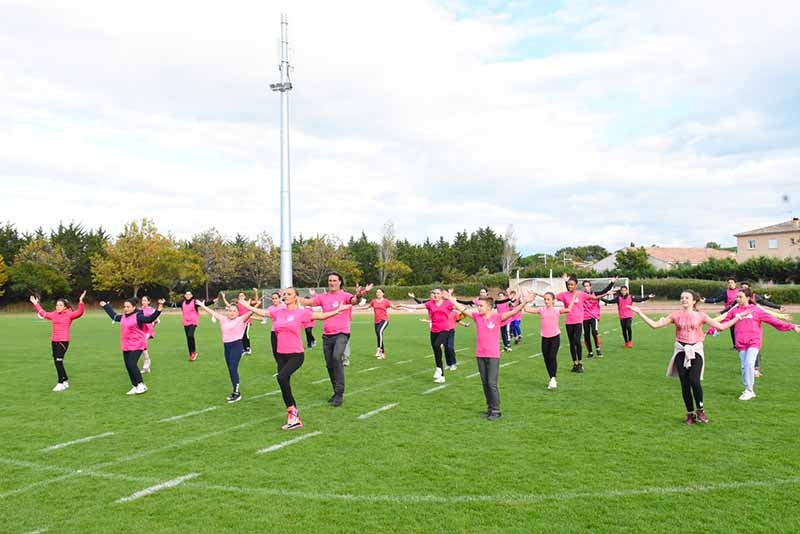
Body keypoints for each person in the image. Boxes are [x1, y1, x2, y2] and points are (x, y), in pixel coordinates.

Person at [244, 288, 351, 428]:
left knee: (281, 377)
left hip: (296, 355)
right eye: (284, 294)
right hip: (281, 354)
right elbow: (263, 313)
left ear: (296, 298)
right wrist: (245, 305)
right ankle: (293, 416)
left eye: (289, 294)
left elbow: (321, 316)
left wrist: (337, 311)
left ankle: (294, 414)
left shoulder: (302, 313)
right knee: (284, 383)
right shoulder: (278, 312)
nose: (285, 296)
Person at [632, 290, 738, 425]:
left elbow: (721, 327)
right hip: (681, 351)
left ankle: (700, 410)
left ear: (694, 301)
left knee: (695, 380)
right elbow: (655, 325)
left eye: (687, 298)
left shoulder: (701, 315)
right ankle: (690, 414)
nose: (684, 300)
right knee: (685, 384)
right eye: (682, 298)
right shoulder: (675, 315)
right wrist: (639, 312)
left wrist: (738, 318)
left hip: (696, 351)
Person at [447, 291, 532, 419]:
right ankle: (490, 408)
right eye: (478, 306)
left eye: (481, 306)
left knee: (492, 383)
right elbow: (463, 309)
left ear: (489, 307)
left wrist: (525, 302)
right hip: (480, 355)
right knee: (485, 383)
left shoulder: (497, 317)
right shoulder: (477, 317)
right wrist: (451, 299)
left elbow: (513, 312)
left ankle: (496, 410)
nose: (478, 308)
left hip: (493, 356)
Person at [297, 272, 372, 406]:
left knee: (337, 357)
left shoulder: (345, 296)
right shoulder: (323, 297)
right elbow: (308, 302)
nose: (331, 282)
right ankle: (336, 392)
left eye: (334, 280)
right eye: (330, 280)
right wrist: (291, 298)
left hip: (342, 333)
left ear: (340, 282)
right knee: (330, 365)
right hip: (327, 335)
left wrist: (361, 294)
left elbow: (355, 301)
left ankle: (339, 393)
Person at [721, 288, 800, 401]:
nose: (737, 299)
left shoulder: (756, 310)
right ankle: (747, 388)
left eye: (740, 297)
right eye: (737, 297)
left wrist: (792, 326)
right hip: (740, 343)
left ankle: (749, 390)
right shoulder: (734, 311)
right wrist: (710, 331)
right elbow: (724, 323)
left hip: (754, 341)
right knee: (744, 367)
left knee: (749, 364)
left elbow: (773, 321)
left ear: (748, 298)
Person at [101, 297, 164, 395]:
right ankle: (135, 386)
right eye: (124, 306)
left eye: (128, 307)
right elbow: (113, 316)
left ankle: (141, 385)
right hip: (126, 345)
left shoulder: (138, 316)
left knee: (132, 364)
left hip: (137, 344)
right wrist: (105, 306)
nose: (125, 308)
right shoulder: (123, 317)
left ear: (134, 307)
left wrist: (159, 309)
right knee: (128, 366)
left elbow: (149, 319)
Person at [196, 299, 253, 403]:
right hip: (227, 347)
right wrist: (201, 305)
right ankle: (235, 390)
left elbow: (252, 311)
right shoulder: (223, 319)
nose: (231, 313)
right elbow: (212, 312)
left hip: (237, 345)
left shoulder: (241, 319)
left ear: (238, 312)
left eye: (234, 311)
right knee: (230, 369)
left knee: (232, 367)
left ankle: (237, 393)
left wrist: (253, 305)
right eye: (230, 310)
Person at [30, 291, 86, 391]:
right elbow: (43, 313)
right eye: (57, 305)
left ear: (65, 307)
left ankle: (60, 383)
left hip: (63, 341)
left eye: (60, 305)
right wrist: (35, 304)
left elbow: (79, 312)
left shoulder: (69, 314)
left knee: (58, 361)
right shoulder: (54, 314)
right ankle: (65, 380)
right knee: (57, 361)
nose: (58, 307)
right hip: (54, 341)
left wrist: (81, 301)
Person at [524, 291, 579, 390]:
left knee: (552, 356)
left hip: (555, 337)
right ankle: (551, 378)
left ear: (553, 300)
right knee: (546, 358)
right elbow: (526, 309)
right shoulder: (541, 310)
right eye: (545, 299)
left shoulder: (557, 310)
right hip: (545, 338)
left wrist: (573, 298)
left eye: (548, 299)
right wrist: (525, 300)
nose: (546, 301)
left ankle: (553, 378)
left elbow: (569, 310)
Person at [402, 287, 456, 383]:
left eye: (437, 293)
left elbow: (459, 306)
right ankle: (441, 374)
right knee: (436, 353)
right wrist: (403, 305)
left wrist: (451, 296)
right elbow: (416, 307)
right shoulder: (430, 304)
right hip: (434, 330)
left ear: (441, 295)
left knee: (437, 345)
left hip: (445, 329)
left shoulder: (448, 303)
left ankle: (439, 369)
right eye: (434, 293)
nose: (435, 295)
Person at [556, 275, 608, 373]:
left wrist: (606, 293)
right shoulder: (564, 295)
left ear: (576, 285)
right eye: (568, 284)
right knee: (572, 343)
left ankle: (580, 363)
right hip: (569, 322)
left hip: (579, 321)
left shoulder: (581, 294)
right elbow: (550, 296)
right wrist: (536, 294)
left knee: (577, 341)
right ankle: (574, 363)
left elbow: (594, 297)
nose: (570, 286)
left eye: (571, 285)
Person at [581, 278, 616, 358]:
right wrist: (566, 282)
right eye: (585, 286)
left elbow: (605, 290)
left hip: (594, 316)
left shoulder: (596, 294)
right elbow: (571, 292)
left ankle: (598, 349)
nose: (586, 287)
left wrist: (612, 282)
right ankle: (590, 352)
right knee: (586, 335)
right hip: (584, 317)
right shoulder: (582, 295)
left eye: (588, 286)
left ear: (590, 286)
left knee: (594, 332)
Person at [176, 290, 215, 361]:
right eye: (186, 294)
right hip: (185, 322)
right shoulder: (182, 303)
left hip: (193, 322)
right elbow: (173, 305)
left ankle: (194, 352)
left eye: (189, 294)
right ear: (185, 296)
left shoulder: (194, 302)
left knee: (190, 335)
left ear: (191, 295)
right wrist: (164, 303)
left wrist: (213, 301)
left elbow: (204, 304)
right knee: (188, 338)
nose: (188, 296)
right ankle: (191, 354)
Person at [364, 288, 403, 359]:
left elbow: (394, 307)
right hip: (376, 321)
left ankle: (379, 349)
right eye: (377, 292)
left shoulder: (386, 301)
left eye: (379, 292)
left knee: (379, 332)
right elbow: (367, 307)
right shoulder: (373, 301)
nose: (378, 293)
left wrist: (402, 307)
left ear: (383, 293)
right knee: (379, 336)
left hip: (384, 320)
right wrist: (355, 308)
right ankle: (382, 354)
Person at [703, 278, 741, 349]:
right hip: (729, 313)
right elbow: (717, 300)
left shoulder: (740, 291)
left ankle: (739, 345)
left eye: (732, 282)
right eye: (729, 282)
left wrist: (763, 297)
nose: (730, 284)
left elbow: (752, 296)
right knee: (728, 328)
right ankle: (709, 332)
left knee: (739, 329)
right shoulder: (726, 293)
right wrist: (706, 300)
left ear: (735, 283)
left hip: (739, 312)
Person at [220, 289, 260, 356]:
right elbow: (229, 305)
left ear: (244, 297)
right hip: (239, 322)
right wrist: (224, 298)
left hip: (247, 320)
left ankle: (248, 349)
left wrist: (256, 292)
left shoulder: (247, 303)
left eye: (242, 296)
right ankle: (243, 349)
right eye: (239, 296)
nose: (241, 297)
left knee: (245, 334)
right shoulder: (237, 304)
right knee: (240, 335)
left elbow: (256, 301)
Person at [139, 295, 159, 373]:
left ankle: (146, 365)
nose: (143, 302)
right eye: (142, 300)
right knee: (142, 348)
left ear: (148, 302)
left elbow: (157, 320)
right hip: (140, 331)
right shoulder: (139, 310)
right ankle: (147, 365)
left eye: (145, 300)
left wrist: (152, 325)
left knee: (142, 346)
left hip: (148, 331)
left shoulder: (152, 310)